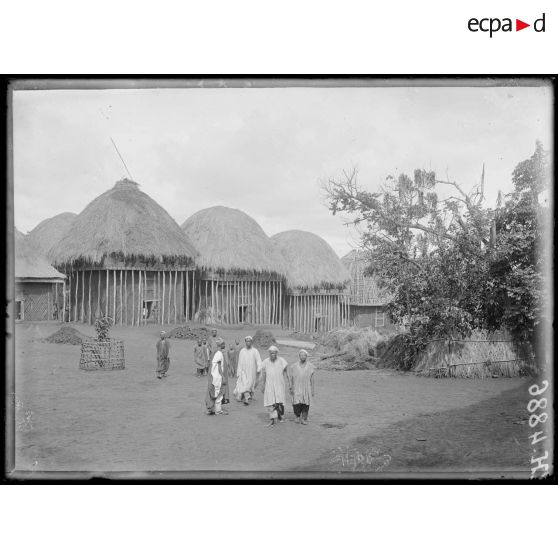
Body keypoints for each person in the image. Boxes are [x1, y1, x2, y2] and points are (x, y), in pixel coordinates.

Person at [257, 346, 288, 427]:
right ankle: (272, 420)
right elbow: (263, 374)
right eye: (271, 353)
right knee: (270, 401)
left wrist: (287, 381)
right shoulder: (265, 362)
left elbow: (286, 371)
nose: (272, 354)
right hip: (269, 385)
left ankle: (281, 416)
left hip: (279, 385)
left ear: (276, 353)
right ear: (269, 354)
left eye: (274, 353)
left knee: (279, 401)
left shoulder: (282, 361)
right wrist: (263, 385)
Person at [288, 349, 315, 425]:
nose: (302, 357)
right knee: (296, 402)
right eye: (301, 355)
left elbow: (312, 380)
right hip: (297, 386)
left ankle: (304, 418)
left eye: (304, 355)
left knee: (306, 403)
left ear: (306, 356)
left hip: (306, 387)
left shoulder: (310, 366)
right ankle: (297, 416)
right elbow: (291, 378)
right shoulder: (294, 366)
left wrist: (312, 390)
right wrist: (291, 387)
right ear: (299, 356)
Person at [233, 336, 262, 405]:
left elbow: (258, 360)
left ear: (251, 342)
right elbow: (240, 362)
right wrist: (239, 371)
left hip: (252, 372)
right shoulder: (242, 351)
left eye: (249, 341)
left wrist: (259, 368)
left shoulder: (255, 351)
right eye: (247, 341)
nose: (248, 342)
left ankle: (246, 395)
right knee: (244, 383)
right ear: (245, 342)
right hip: (243, 371)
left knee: (250, 384)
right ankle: (246, 398)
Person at [205, 338, 228, 415]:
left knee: (216, 392)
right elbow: (218, 366)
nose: (225, 345)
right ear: (221, 345)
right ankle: (216, 410)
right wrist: (223, 376)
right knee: (218, 393)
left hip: (215, 376)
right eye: (224, 344)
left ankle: (215, 409)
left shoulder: (217, 353)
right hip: (217, 376)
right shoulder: (219, 354)